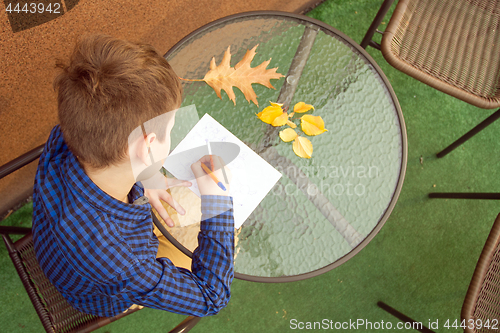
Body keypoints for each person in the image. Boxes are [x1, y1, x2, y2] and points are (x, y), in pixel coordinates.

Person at [31, 34, 234, 318]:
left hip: (55, 248)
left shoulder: (65, 139)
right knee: (229, 238)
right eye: (171, 127)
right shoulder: (123, 262)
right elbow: (212, 296)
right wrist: (217, 198)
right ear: (147, 146)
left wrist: (148, 174)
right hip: (97, 295)